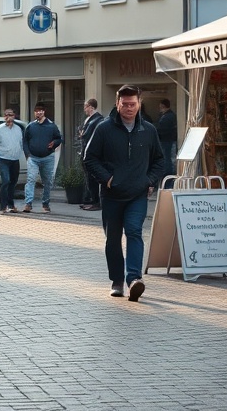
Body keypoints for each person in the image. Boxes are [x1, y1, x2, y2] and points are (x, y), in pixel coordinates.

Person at [83, 84, 164, 303]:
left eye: (133, 104)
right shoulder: (104, 129)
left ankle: (134, 279)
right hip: (111, 195)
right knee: (113, 239)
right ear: (117, 104)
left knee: (134, 232)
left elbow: (159, 160)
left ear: (139, 103)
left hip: (137, 195)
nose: (129, 108)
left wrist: (149, 180)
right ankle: (117, 282)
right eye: (125, 104)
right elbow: (89, 158)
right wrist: (108, 179)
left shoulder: (148, 130)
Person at [21, 103, 63, 214]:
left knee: (47, 182)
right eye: (36, 111)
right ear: (34, 112)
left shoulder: (51, 126)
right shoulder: (31, 126)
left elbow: (59, 138)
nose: (38, 113)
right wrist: (27, 154)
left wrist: (54, 143)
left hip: (48, 158)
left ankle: (45, 203)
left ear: (44, 112)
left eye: (40, 111)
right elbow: (25, 141)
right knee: (31, 179)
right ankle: (28, 204)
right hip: (33, 158)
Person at [0, 108, 23, 213]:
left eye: (10, 114)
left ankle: (11, 205)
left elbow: (21, 143)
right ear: (4, 117)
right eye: (6, 115)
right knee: (6, 181)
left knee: (13, 182)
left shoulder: (18, 129)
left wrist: (21, 153)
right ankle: (3, 206)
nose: (8, 117)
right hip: (3, 160)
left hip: (15, 160)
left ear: (14, 116)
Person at [78, 99, 104, 211]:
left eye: (86, 107)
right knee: (87, 178)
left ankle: (96, 202)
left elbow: (86, 135)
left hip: (92, 154)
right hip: (85, 151)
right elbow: (81, 131)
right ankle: (89, 200)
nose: (84, 109)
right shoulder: (88, 119)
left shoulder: (98, 119)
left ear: (91, 107)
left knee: (92, 178)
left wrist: (82, 134)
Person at [156, 98, 178, 183]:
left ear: (163, 106)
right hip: (169, 140)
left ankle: (168, 177)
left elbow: (161, 129)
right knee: (169, 158)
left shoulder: (166, 117)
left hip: (166, 140)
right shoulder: (170, 115)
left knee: (167, 158)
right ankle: (169, 176)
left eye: (160, 107)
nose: (160, 109)